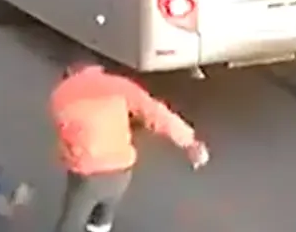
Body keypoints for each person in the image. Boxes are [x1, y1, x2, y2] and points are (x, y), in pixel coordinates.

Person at [50, 54, 209, 232]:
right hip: (121, 173)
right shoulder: (119, 85)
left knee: (70, 223)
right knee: (102, 219)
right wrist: (190, 142)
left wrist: (68, 157)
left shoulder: (61, 94)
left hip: (88, 175)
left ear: (69, 73)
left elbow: (67, 134)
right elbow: (155, 112)